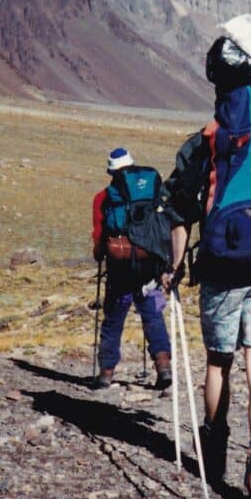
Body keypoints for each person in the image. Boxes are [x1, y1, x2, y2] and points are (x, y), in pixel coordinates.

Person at [161, 96, 251, 499]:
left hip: (222, 268)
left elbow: (180, 212)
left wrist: (176, 265)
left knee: (219, 361)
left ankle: (215, 445)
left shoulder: (208, 141)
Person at [91, 147, 171, 390]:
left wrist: (100, 254)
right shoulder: (151, 193)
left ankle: (106, 372)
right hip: (150, 268)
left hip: (120, 269)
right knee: (154, 316)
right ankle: (163, 366)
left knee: (113, 320)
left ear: (111, 172)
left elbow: (98, 236)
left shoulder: (103, 198)